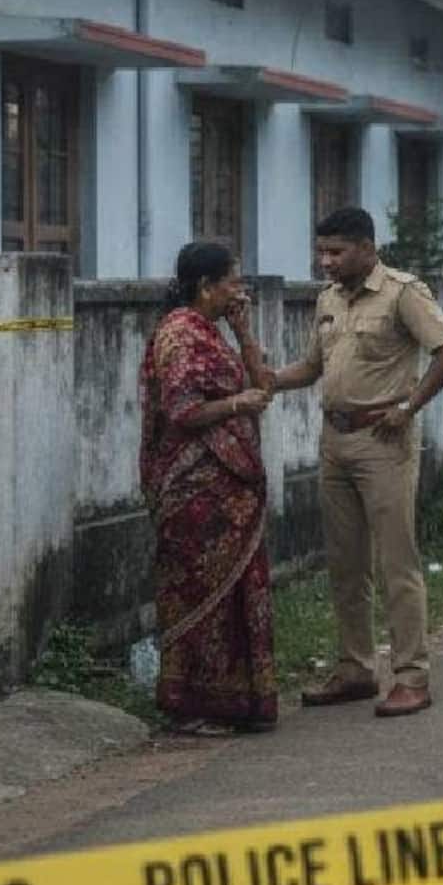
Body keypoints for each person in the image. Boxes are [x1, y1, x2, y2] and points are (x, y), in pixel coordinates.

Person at [270, 207, 443, 717]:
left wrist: (409, 407)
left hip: (383, 441)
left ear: (366, 247)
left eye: (335, 252)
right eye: (322, 252)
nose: (325, 262)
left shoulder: (403, 293)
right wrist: (265, 379)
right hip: (334, 441)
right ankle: (356, 668)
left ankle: (411, 676)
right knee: (345, 563)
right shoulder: (328, 300)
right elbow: (312, 367)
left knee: (396, 561)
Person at [137, 241, 278, 735]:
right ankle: (193, 705)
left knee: (238, 592)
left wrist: (243, 332)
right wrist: (237, 405)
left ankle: (240, 701)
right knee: (201, 595)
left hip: (233, 486)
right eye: (234, 281)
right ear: (206, 285)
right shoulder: (180, 333)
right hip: (194, 489)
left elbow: (264, 386)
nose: (241, 291)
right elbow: (182, 409)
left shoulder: (215, 333)